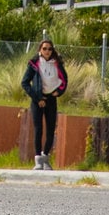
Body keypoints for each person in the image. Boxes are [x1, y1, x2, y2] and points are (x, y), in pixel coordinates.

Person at [21, 39, 68, 170]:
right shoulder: (34, 64)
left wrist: (58, 92)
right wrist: (37, 98)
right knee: (38, 129)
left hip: (51, 99)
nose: (47, 51)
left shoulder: (57, 64)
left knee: (51, 129)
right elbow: (25, 83)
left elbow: (64, 80)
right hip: (37, 100)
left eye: (50, 49)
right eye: (45, 49)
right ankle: (38, 160)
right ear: (40, 50)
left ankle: (45, 156)